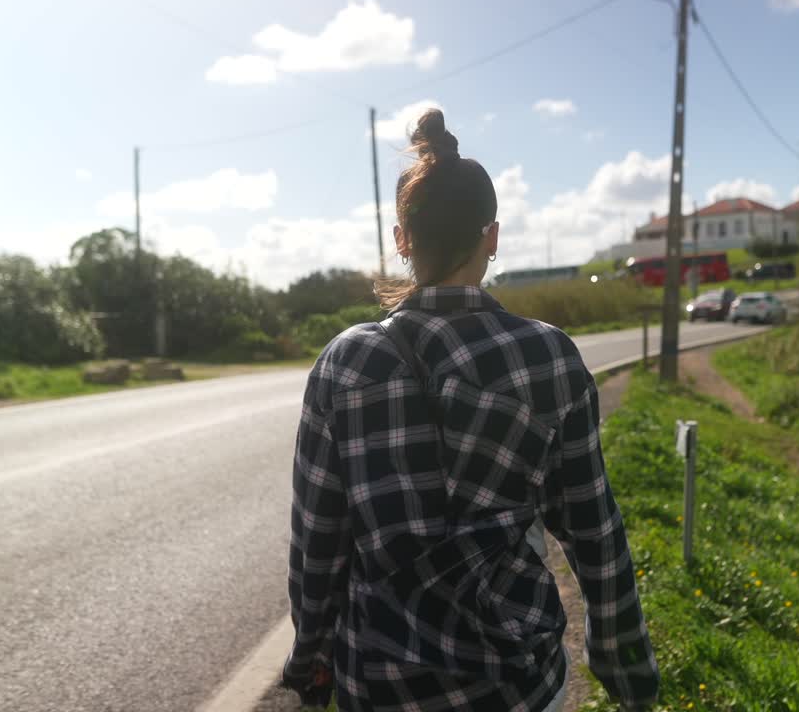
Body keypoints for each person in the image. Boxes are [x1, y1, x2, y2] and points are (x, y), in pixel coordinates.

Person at [282, 108, 659, 712]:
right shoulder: (548, 356)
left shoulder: (344, 364)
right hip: (517, 682)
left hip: (381, 684)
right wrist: (621, 654)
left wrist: (311, 661)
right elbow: (594, 530)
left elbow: (318, 543)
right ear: (492, 237)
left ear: (403, 239)